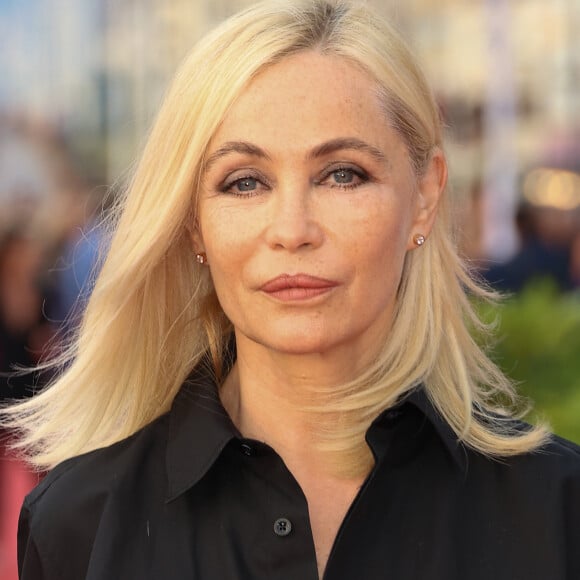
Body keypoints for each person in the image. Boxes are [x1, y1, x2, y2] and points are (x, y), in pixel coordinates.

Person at [2, 1, 579, 578]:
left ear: (425, 198)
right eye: (245, 182)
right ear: (193, 222)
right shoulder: (79, 524)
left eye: (342, 174)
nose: (292, 231)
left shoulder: (558, 511)